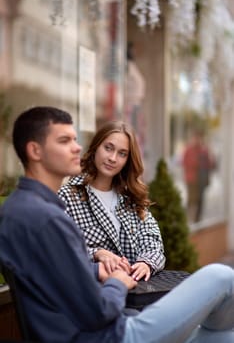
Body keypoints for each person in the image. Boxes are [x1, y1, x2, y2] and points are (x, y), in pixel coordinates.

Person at [1, 106, 234, 343]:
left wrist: (101, 269)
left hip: (115, 316)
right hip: (110, 333)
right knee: (221, 276)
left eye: (122, 153)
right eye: (65, 140)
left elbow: (56, 270)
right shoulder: (48, 216)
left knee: (223, 336)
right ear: (35, 151)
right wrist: (115, 281)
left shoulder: (23, 210)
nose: (77, 147)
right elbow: (97, 311)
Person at [58, 120, 165, 282]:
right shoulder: (68, 196)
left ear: (127, 160)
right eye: (108, 148)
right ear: (95, 148)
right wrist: (97, 253)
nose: (113, 158)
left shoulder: (131, 198)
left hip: (136, 292)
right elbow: (59, 248)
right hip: (94, 295)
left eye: (122, 153)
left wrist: (146, 263)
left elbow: (152, 239)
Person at [182, 130, 215, 222]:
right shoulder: (189, 149)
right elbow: (185, 163)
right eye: (196, 138)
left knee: (200, 200)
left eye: (199, 138)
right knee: (192, 200)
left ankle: (197, 220)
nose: (197, 140)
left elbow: (210, 164)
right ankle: (187, 219)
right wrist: (197, 162)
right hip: (191, 179)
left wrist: (209, 152)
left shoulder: (204, 150)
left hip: (201, 180)